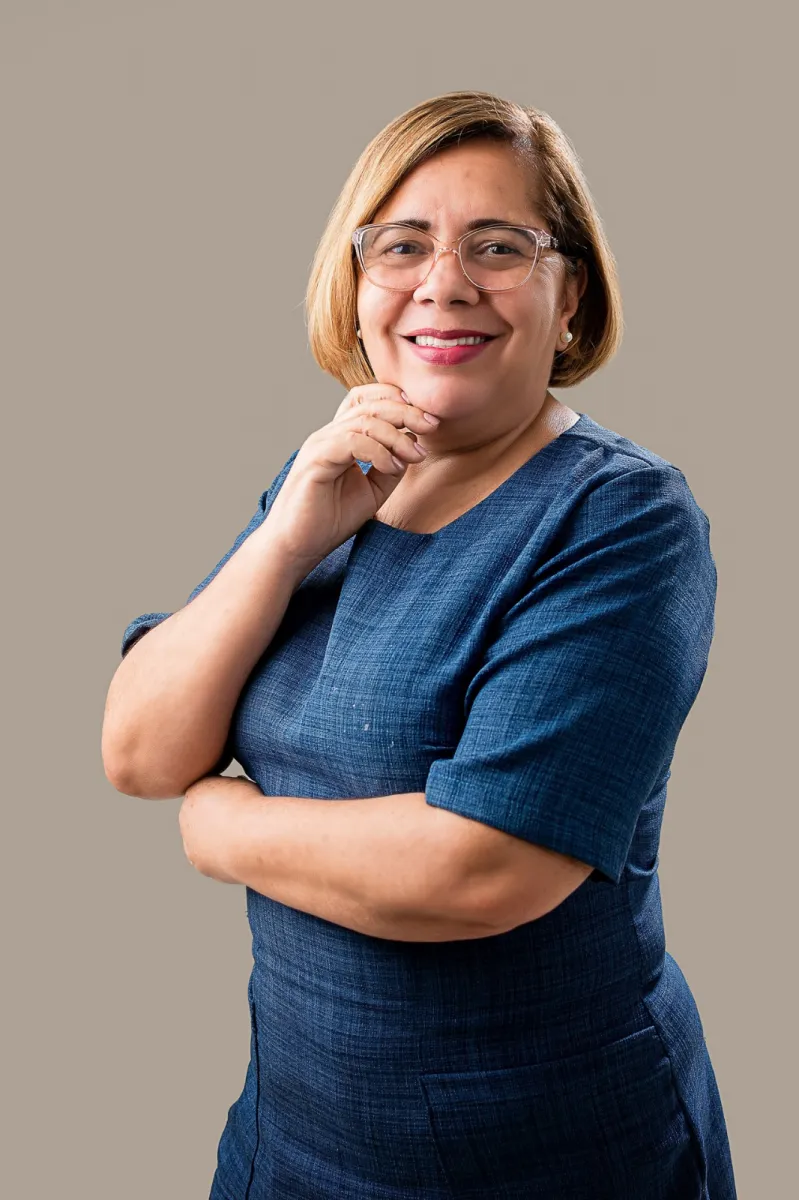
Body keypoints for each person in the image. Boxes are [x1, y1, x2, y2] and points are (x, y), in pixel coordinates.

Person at [102, 90, 737, 1199]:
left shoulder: (620, 518)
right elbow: (141, 752)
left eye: (498, 246)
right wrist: (286, 540)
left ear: (570, 298)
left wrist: (224, 827)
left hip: (544, 1156)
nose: (444, 283)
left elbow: (484, 867)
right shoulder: (333, 475)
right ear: (355, 289)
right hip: (287, 1144)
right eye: (401, 246)